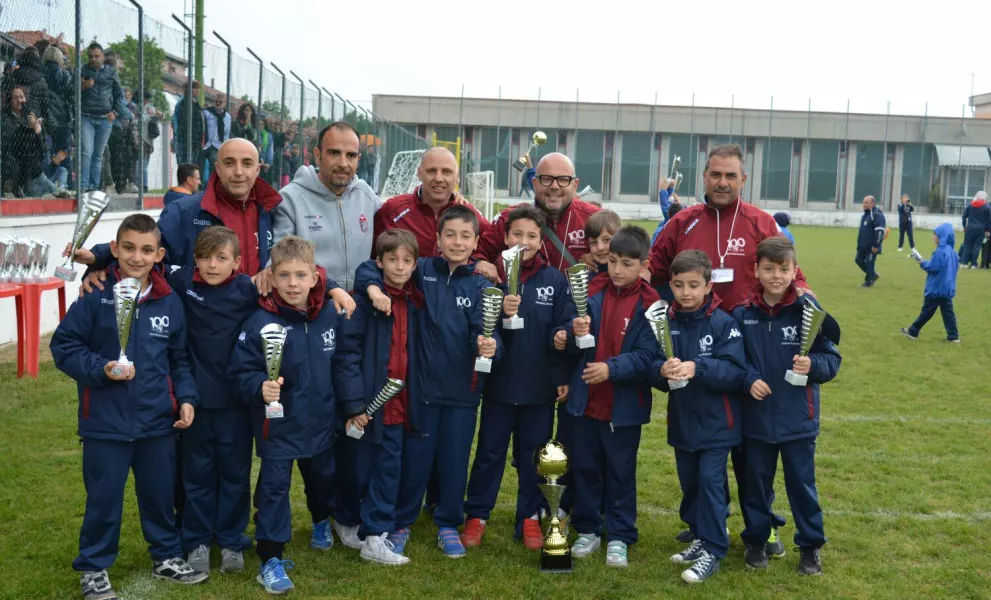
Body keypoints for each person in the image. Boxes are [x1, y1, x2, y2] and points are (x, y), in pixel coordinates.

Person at [49, 214, 208, 600]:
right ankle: (94, 565)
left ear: (159, 254)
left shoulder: (169, 301)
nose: (137, 257)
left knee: (159, 496)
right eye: (130, 248)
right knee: (104, 499)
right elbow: (63, 347)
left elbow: (179, 360)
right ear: (116, 250)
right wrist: (100, 369)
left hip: (157, 422)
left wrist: (185, 399)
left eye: (147, 250)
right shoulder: (95, 295)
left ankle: (166, 554)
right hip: (105, 423)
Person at [649, 144, 796, 551]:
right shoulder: (683, 222)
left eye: (731, 175)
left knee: (753, 448)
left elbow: (791, 276)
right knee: (697, 441)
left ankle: (761, 526)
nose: (722, 182)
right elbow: (654, 272)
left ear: (743, 180)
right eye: (715, 174)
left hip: (752, 348)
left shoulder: (762, 222)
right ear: (704, 177)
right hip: (695, 346)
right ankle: (701, 522)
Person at [354, 205, 501, 559]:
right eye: (449, 234)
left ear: (477, 242)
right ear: (436, 240)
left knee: (453, 460)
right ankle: (403, 520)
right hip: (420, 391)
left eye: (466, 236)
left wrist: (489, 345)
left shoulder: (483, 285)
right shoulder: (420, 271)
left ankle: (448, 522)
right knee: (414, 461)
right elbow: (367, 269)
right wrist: (374, 290)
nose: (457, 242)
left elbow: (489, 332)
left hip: (462, 394)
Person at [227, 236, 362, 594]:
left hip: (320, 424)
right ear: (271, 276)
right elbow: (238, 372)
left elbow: (345, 361)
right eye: (284, 275)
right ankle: (270, 557)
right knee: (273, 490)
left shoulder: (330, 315)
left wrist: (351, 406)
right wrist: (259, 386)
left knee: (322, 479)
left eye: (301, 275)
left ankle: (321, 520)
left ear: (316, 277)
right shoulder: (258, 321)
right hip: (278, 428)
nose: (292, 284)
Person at [462, 205, 575, 551]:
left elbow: (565, 325)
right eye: (516, 235)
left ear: (541, 242)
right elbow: (476, 330)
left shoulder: (554, 280)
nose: (522, 241)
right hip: (498, 386)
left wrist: (562, 337)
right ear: (505, 237)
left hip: (539, 389)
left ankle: (529, 516)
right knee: (489, 454)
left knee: (534, 455)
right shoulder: (488, 277)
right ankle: (477, 515)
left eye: (531, 236)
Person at [733, 237, 842, 576]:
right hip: (756, 420)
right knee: (755, 485)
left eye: (783, 269)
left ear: (795, 271)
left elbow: (831, 359)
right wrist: (749, 379)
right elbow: (735, 360)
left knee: (802, 487)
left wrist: (814, 367)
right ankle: (756, 539)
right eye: (768, 269)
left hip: (798, 419)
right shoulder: (742, 314)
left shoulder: (810, 312)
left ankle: (810, 547)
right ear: (756, 270)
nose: (776, 276)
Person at [165, 227, 260, 575]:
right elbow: (144, 261)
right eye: (205, 257)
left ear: (237, 262)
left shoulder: (248, 290)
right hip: (197, 403)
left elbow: (296, 287)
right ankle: (198, 540)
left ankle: (232, 540)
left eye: (221, 258)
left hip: (236, 403)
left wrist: (333, 290)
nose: (212, 264)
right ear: (195, 260)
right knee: (197, 474)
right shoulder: (182, 283)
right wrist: (99, 260)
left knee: (235, 473)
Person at [563, 226, 659, 569]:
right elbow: (571, 343)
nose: (617, 270)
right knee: (586, 468)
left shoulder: (652, 304)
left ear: (643, 265)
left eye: (627, 264)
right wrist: (571, 334)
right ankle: (587, 528)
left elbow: (649, 356)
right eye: (613, 261)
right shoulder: (592, 290)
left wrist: (611, 369)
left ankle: (619, 535)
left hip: (623, 409)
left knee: (620, 472)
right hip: (585, 402)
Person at [660, 250, 746, 584]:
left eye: (694, 285)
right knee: (691, 483)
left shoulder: (724, 323)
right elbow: (656, 367)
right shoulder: (667, 322)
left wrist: (699, 367)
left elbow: (736, 372)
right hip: (682, 421)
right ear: (670, 285)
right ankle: (699, 535)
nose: (686, 292)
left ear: (709, 286)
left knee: (711, 483)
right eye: (679, 285)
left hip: (717, 425)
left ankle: (713, 548)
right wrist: (662, 370)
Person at [339, 229, 422, 566]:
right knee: (357, 468)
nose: (400, 267)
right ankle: (345, 519)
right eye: (392, 260)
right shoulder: (362, 304)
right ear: (380, 262)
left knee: (388, 468)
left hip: (400, 406)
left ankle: (376, 536)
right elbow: (346, 357)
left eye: (406, 261)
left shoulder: (416, 301)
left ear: (415, 264)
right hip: (366, 407)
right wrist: (354, 404)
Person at [270, 122, 381, 292]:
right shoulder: (290, 199)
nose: (343, 163)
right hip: (314, 308)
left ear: (359, 158)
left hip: (360, 306)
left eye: (350, 155)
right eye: (334, 153)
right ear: (317, 154)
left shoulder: (366, 195)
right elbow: (279, 262)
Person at [476, 152, 600, 276]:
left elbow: (617, 257)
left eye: (563, 180)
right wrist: (481, 263)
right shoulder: (509, 219)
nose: (554, 186)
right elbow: (476, 254)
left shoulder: (593, 217)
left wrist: (600, 257)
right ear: (535, 183)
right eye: (547, 179)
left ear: (575, 185)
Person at [374, 147, 490, 262]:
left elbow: (492, 246)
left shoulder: (469, 214)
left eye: (446, 172)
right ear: (419, 173)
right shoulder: (392, 210)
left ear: (457, 178)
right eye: (431, 171)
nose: (438, 178)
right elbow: (373, 259)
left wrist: (481, 260)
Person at [901, 223, 960, 342]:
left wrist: (921, 262)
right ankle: (953, 336)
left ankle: (913, 332)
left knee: (927, 311)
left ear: (942, 236)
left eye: (936, 235)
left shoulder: (939, 252)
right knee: (948, 313)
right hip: (946, 287)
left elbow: (933, 268)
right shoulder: (952, 252)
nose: (934, 237)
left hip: (936, 288)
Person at [79, 42, 122, 192]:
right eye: (91, 56)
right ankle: (83, 186)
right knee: (86, 151)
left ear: (103, 56)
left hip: (105, 118)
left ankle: (93, 186)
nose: (94, 59)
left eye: (97, 56)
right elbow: (70, 90)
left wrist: (115, 112)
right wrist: (81, 86)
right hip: (86, 117)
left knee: (98, 155)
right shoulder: (82, 70)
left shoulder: (111, 72)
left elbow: (119, 95)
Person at [855, 195, 886, 287]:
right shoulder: (865, 215)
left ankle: (868, 282)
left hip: (872, 246)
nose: (863, 205)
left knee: (869, 263)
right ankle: (873, 275)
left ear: (872, 203)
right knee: (858, 260)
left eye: (866, 203)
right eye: (863, 203)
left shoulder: (877, 215)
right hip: (862, 245)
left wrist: (876, 245)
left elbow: (880, 231)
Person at [172, 81, 204, 166]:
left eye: (198, 88)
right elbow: (183, 124)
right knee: (186, 168)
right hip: (186, 142)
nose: (198, 90)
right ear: (190, 90)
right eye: (196, 88)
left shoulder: (194, 103)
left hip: (193, 143)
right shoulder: (184, 103)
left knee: (190, 168)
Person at [200, 94, 231, 183]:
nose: (217, 104)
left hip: (217, 145)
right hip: (205, 144)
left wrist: (225, 147)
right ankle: (199, 186)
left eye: (220, 102)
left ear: (224, 103)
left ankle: (210, 185)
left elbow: (226, 134)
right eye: (216, 102)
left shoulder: (227, 117)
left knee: (214, 163)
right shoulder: (207, 113)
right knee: (199, 166)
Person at [960, 191, 991, 269]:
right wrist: (988, 230)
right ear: (984, 198)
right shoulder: (987, 207)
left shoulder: (970, 205)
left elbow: (964, 216)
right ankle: (973, 264)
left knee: (967, 245)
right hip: (981, 229)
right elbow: (989, 220)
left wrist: (964, 225)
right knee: (977, 247)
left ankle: (964, 263)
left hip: (970, 228)